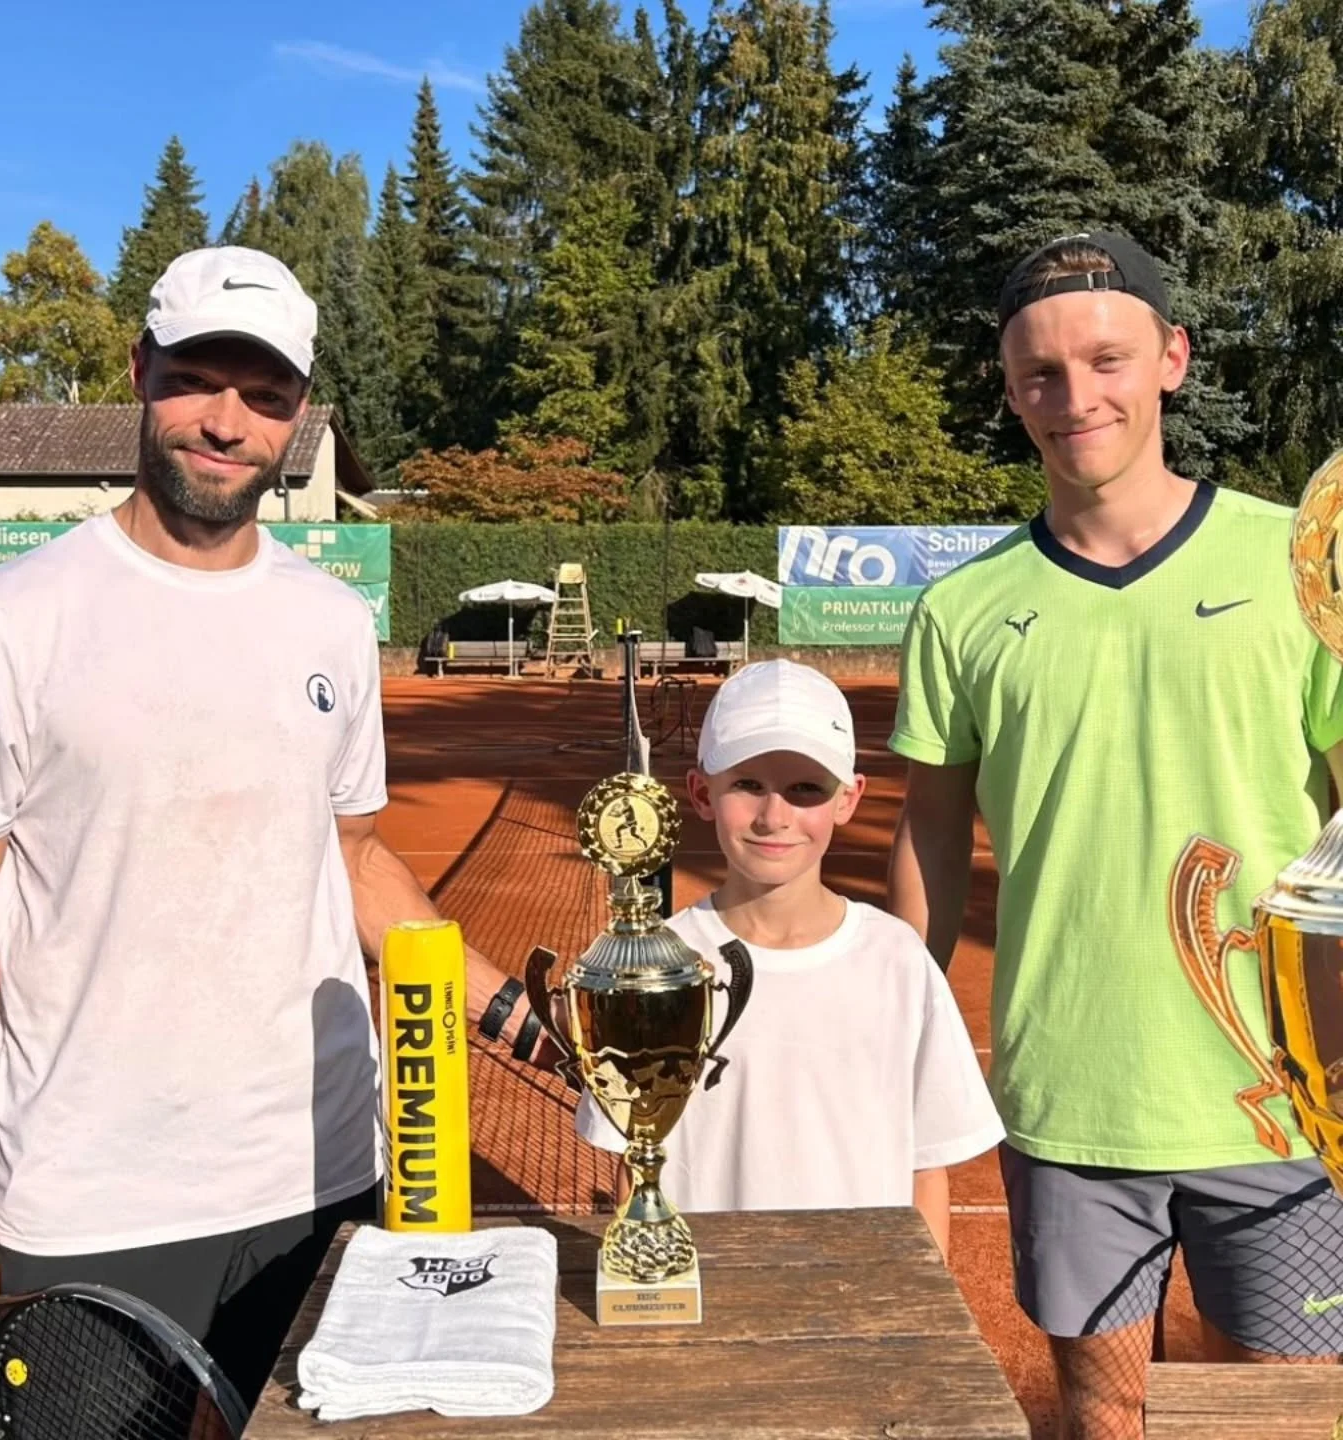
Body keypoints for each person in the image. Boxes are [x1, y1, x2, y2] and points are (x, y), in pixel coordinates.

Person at [0, 246, 550, 1413]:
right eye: (199, 378)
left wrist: (511, 1006)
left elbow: (350, 857)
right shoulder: (12, 618)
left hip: (324, 1181)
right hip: (90, 1206)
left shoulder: (331, 622)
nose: (226, 421)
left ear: (298, 416)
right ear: (142, 372)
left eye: (266, 397)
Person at [886, 231, 1343, 1439]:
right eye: (1039, 372)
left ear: (1173, 359)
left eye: (1106, 359)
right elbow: (930, 848)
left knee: (1285, 1422)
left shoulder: (1300, 568)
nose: (1074, 396)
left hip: (1282, 1105)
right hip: (1070, 1104)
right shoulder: (960, 612)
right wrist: (891, 1033)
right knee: (1101, 1423)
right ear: (1008, 385)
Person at [575, 659, 1003, 1258]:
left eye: (806, 789)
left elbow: (926, 1170)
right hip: (710, 1307)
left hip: (862, 1314)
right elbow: (633, 1166)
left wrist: (914, 1307)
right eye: (748, 784)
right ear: (701, 793)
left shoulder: (897, 959)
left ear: (849, 799)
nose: (774, 817)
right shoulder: (649, 966)